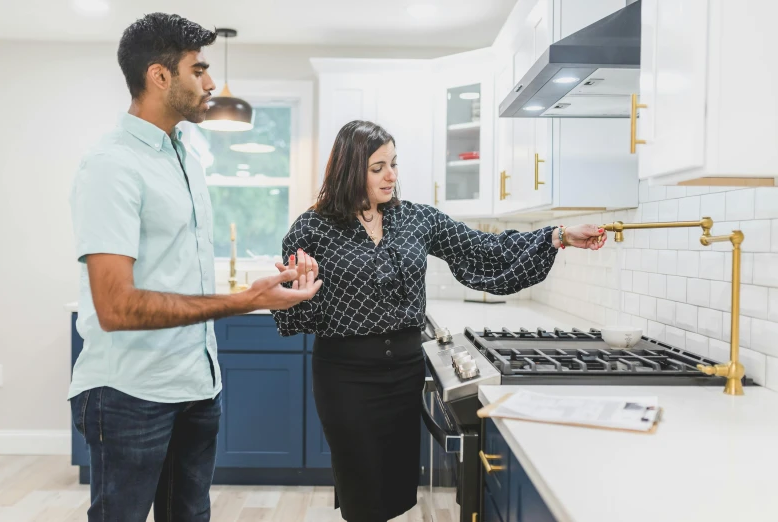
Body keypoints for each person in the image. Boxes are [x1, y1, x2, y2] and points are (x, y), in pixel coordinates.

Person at [271, 120, 607, 522]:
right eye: (378, 167)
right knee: (361, 492)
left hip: (404, 373)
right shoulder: (312, 228)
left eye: (393, 163)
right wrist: (297, 289)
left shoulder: (416, 219)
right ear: (349, 168)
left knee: (393, 491)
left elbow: (489, 250)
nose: (391, 175)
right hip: (345, 378)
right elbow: (292, 318)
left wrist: (559, 236)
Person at [68, 13, 321, 522]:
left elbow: (177, 269)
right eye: (198, 69)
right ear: (160, 76)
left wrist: (263, 286)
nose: (210, 83)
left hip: (197, 386)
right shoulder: (112, 165)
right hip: (129, 392)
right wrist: (245, 300)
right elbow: (115, 306)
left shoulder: (185, 157)